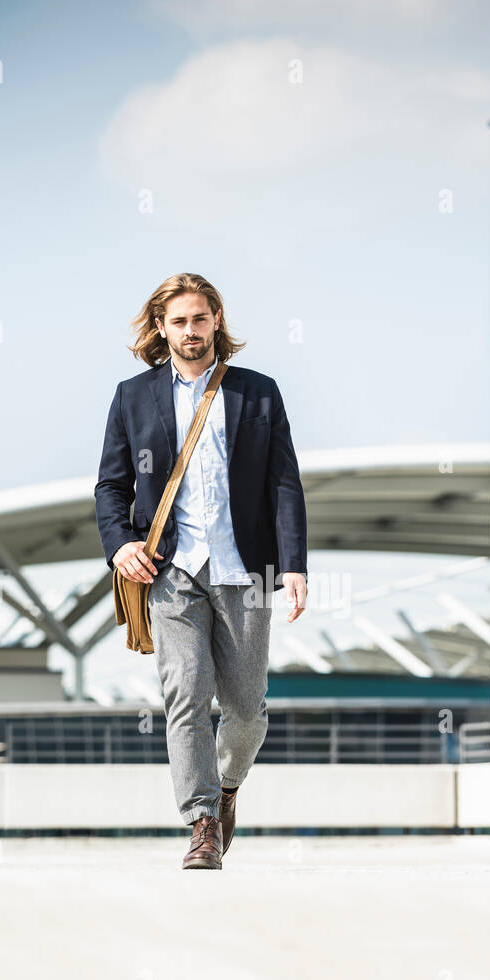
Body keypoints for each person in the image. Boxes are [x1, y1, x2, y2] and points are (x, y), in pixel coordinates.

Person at [95, 273, 308, 868]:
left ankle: (228, 784)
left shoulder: (258, 394)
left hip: (247, 568)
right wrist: (120, 546)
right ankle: (203, 822)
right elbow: (111, 486)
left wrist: (293, 566)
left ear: (217, 319)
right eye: (179, 321)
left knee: (245, 707)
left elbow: (283, 484)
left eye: (200, 318)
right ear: (161, 328)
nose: (191, 331)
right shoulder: (132, 397)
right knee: (185, 695)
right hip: (170, 571)